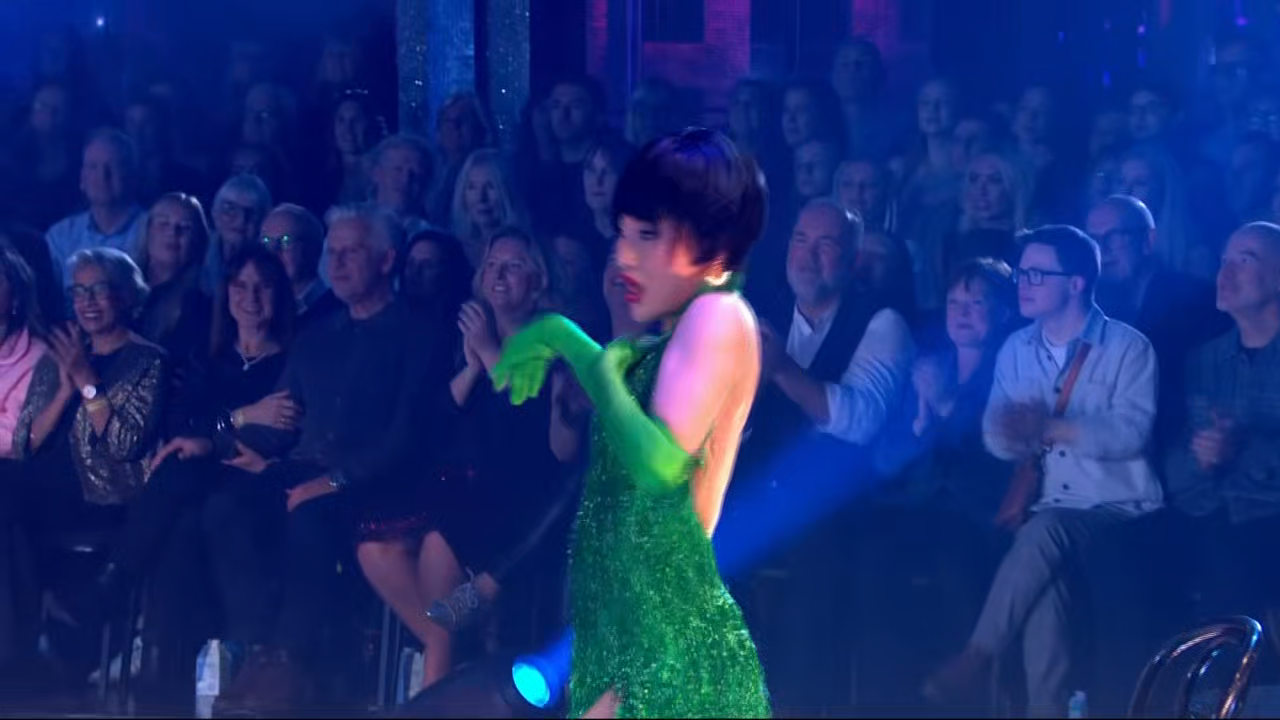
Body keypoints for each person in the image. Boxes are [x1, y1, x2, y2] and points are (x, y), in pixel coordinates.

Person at [493, 128, 771, 717]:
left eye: (647, 236)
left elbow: (660, 466)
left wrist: (576, 348)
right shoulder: (671, 334)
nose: (623, 256)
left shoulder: (717, 317)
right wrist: (578, 347)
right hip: (631, 621)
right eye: (622, 234)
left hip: (664, 633)